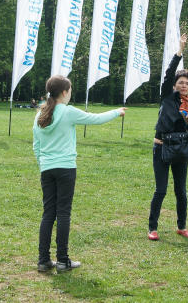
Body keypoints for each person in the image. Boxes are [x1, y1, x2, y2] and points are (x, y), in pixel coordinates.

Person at [32, 75, 126, 273]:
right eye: (70, 90)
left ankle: (43, 260)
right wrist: (117, 112)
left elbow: (36, 145)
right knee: (63, 212)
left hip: (47, 169)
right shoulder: (67, 112)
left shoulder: (40, 112)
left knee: (48, 213)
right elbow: (95, 119)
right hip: (65, 168)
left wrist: (43, 163)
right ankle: (63, 260)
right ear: (64, 92)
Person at [148, 33, 188, 241]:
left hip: (181, 149)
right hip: (162, 148)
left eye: (187, 83)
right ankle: (152, 228)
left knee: (181, 191)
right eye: (180, 82)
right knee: (161, 190)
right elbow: (169, 73)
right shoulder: (167, 97)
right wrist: (180, 51)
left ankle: (182, 226)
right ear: (175, 84)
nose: (183, 85)